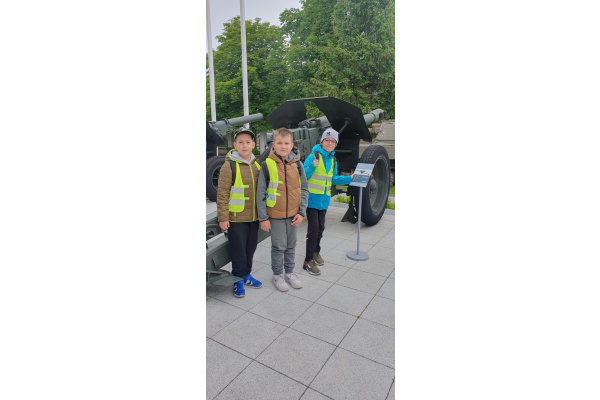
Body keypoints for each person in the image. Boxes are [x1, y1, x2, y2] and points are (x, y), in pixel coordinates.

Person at [256, 127, 309, 291]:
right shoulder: (266, 165)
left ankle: (290, 273)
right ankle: (278, 275)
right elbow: (260, 193)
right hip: (275, 215)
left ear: (292, 145)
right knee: (278, 247)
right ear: (273, 145)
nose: (283, 146)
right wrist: (263, 218)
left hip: (294, 214)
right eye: (279, 143)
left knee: (291, 246)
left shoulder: (298, 164)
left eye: (286, 143)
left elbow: (304, 189)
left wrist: (301, 213)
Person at [216, 127, 263, 298]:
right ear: (235, 145)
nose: (244, 145)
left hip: (254, 217)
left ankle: (246, 274)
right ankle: (237, 279)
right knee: (238, 250)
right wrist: (223, 217)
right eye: (241, 142)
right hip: (236, 218)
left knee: (250, 248)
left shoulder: (257, 165)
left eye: (248, 142)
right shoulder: (229, 166)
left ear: (253, 145)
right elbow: (222, 194)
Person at [302, 128, 353, 275]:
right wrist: (312, 167)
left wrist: (350, 178)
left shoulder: (333, 159)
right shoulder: (313, 156)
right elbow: (302, 176)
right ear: (322, 141)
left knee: (321, 228)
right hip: (312, 200)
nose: (329, 143)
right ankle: (307, 261)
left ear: (335, 144)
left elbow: (333, 179)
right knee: (313, 230)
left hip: (324, 201)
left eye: (332, 141)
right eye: (327, 140)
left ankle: (316, 252)